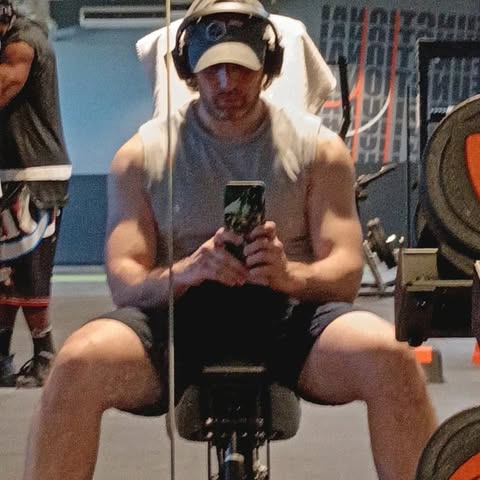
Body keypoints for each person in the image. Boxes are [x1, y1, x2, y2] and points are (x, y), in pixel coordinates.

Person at [23, 0, 437, 478]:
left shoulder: (319, 150)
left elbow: (344, 271)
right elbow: (125, 281)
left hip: (288, 319)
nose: (226, 82)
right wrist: (190, 271)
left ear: (268, 67)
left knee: (391, 358)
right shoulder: (141, 156)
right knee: (75, 364)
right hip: (179, 321)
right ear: (189, 71)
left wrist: (289, 274)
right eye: (213, 69)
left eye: (241, 68)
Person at [0, 0, 71, 388]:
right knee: (6, 269)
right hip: (15, 169)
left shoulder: (22, 42)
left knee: (28, 267)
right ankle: (2, 355)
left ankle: (45, 355)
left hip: (34, 172)